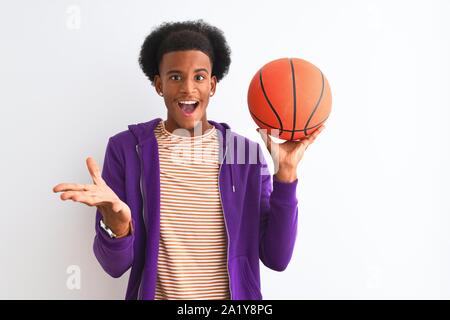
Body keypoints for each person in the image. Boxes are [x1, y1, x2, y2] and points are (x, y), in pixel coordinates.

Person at [53, 19, 324, 300]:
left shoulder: (245, 156)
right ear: (159, 85)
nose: (188, 88)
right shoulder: (127, 149)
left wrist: (286, 175)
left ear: (213, 85)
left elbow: (276, 258)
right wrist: (116, 224)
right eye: (175, 77)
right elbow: (114, 266)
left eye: (199, 77)